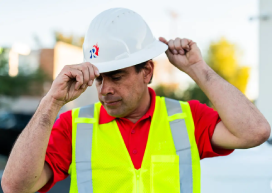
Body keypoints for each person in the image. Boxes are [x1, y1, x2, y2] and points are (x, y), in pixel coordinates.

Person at [1, 8, 270, 193]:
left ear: (147, 72)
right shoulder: (73, 126)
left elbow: (254, 131)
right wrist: (51, 102)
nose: (104, 89)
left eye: (116, 77)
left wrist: (197, 68)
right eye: (99, 78)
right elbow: (15, 187)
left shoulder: (186, 118)